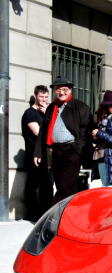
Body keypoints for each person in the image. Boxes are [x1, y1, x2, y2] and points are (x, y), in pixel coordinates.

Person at [34, 76, 92, 204]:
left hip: (72, 151)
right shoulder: (51, 107)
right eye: (58, 89)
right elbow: (43, 131)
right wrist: (38, 152)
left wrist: (79, 149)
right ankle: (69, 215)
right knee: (63, 186)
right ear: (54, 91)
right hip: (55, 151)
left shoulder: (80, 107)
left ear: (70, 90)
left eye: (65, 89)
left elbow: (86, 130)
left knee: (65, 188)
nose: (61, 92)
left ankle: (53, 216)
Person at [21, 85, 52, 221]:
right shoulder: (30, 113)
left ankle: (44, 213)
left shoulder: (45, 112)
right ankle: (33, 214)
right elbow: (39, 133)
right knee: (33, 185)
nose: (44, 100)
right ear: (35, 96)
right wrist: (47, 115)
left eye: (46, 97)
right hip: (34, 154)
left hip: (46, 155)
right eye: (41, 96)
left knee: (47, 185)